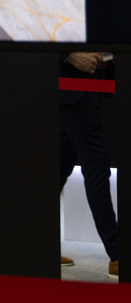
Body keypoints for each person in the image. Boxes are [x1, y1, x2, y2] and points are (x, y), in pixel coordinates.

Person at [59, 51, 119, 279]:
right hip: (73, 86)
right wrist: (69, 55)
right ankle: (117, 253)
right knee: (97, 165)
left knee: (59, 165)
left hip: (88, 85)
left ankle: (37, 247)